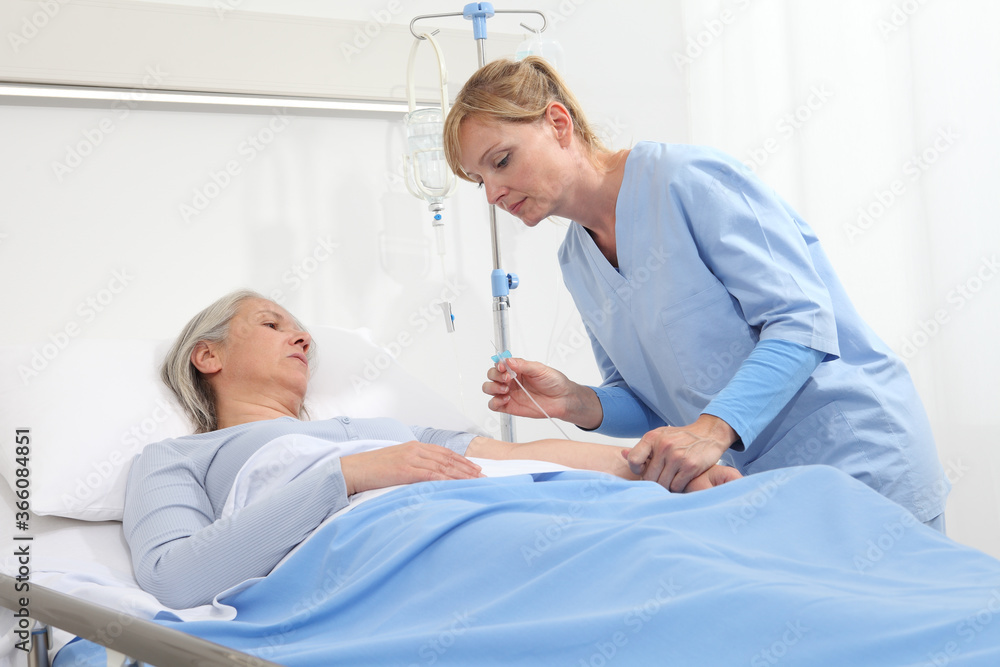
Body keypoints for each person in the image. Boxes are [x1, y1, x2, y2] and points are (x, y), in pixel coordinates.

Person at [442, 56, 949, 531]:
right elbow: (653, 401)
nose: (492, 194)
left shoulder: (686, 182)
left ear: (558, 123)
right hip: (756, 487)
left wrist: (710, 430)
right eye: (477, 179)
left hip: (855, 458)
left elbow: (803, 322)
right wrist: (577, 401)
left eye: (501, 161)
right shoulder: (576, 259)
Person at [123, 290, 740, 608]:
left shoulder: (383, 428)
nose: (303, 336)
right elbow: (175, 579)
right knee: (646, 569)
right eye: (273, 323)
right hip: (396, 541)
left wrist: (656, 467)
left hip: (500, 508)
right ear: (209, 355)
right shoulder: (177, 459)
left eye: (301, 327)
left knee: (674, 538)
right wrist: (350, 475)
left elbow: (511, 459)